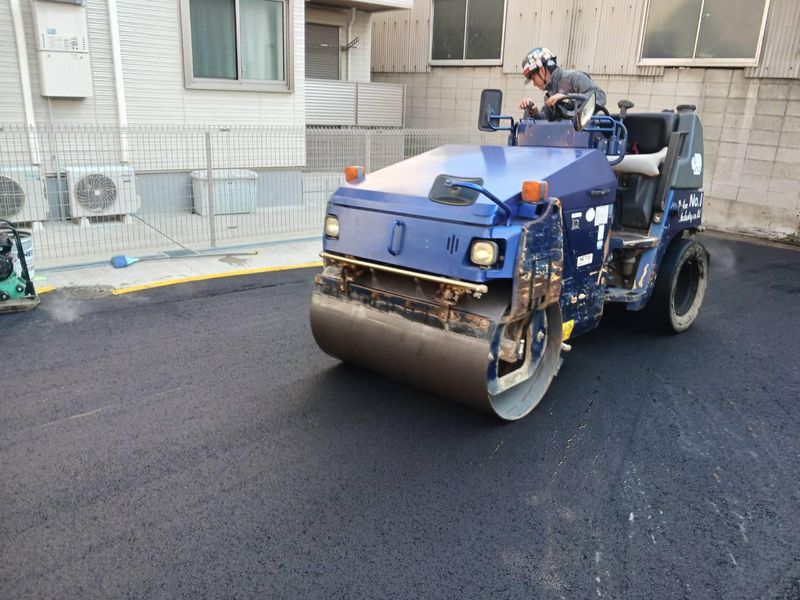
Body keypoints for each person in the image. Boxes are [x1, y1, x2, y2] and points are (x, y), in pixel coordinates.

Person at [518, 47, 607, 121]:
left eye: (533, 78)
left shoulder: (574, 77)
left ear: (542, 70)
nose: (534, 84)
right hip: (565, 135)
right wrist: (534, 110)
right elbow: (545, 120)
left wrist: (567, 97)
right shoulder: (551, 94)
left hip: (585, 134)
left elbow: (600, 97)